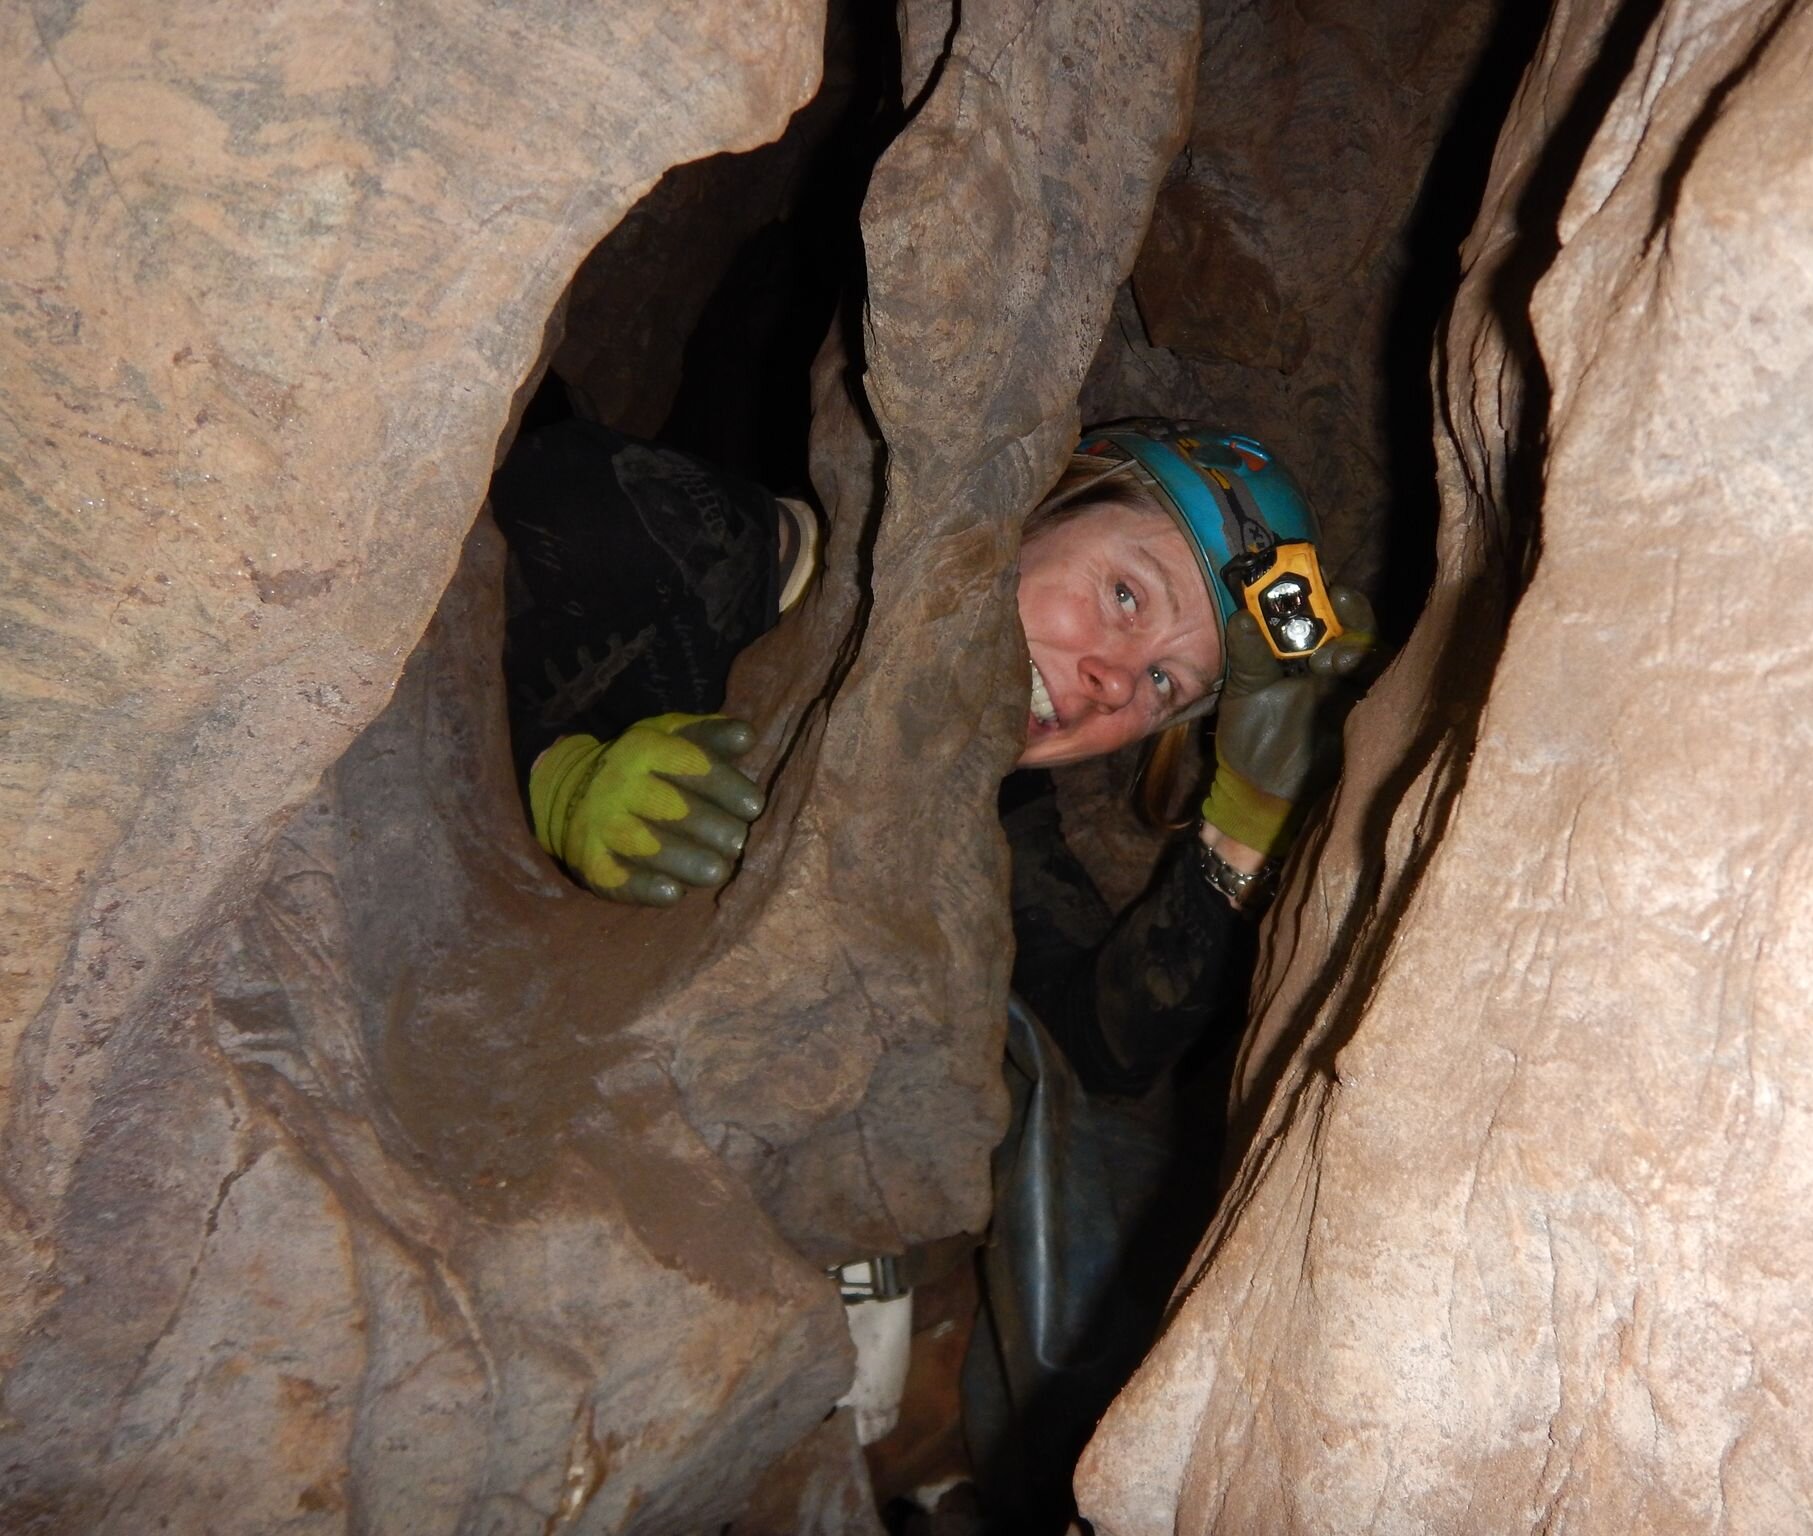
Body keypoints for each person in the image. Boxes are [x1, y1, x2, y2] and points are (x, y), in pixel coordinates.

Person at [491, 412, 1375, 1531]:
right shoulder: (692, 540)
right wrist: (544, 780)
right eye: (1123, 594)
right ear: (1036, 503)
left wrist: (1244, 821)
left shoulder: (980, 804)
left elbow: (1091, 1053)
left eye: (1165, 687)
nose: (1113, 683)